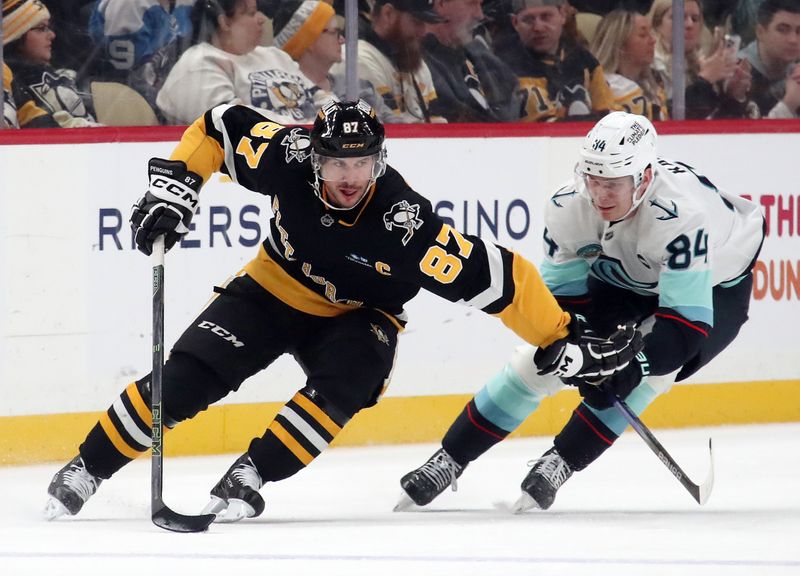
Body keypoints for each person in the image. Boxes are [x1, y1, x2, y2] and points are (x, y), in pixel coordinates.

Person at [43, 99, 641, 522]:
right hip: (273, 286)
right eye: (337, 163)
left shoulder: (406, 225)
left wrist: (560, 337)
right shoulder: (286, 156)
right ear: (315, 159)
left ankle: (254, 473)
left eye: (361, 163)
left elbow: (504, 280)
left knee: (350, 380)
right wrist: (178, 182)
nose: (349, 176)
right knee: (185, 382)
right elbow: (219, 126)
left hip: (361, 314)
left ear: (378, 159)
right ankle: (87, 467)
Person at [397, 111, 765, 512]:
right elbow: (561, 302)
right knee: (538, 363)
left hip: (717, 283)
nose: (600, 195)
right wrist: (579, 347)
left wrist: (633, 366)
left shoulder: (680, 217)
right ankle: (449, 459)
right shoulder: (568, 203)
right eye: (594, 181)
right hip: (625, 273)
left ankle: (561, 462)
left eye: (613, 185)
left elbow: (685, 326)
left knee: (649, 376)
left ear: (643, 179)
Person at [156, 0, 319, 126]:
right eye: (251, 13)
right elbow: (235, 123)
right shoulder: (197, 64)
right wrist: (306, 129)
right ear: (225, 23)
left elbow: (319, 97)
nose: (261, 19)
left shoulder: (275, 56)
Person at [493, 0, 614, 122]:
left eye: (546, 17)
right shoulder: (504, 66)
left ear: (562, 15)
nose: (538, 27)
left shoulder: (584, 60)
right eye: (528, 20)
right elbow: (546, 129)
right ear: (515, 23)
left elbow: (608, 113)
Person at [330, 0, 448, 123]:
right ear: (388, 14)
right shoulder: (357, 59)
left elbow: (438, 122)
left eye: (426, 23)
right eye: (416, 22)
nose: (424, 32)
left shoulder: (419, 65)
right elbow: (386, 130)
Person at [271, 0, 389, 116]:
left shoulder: (361, 87)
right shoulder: (288, 98)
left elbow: (400, 130)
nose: (342, 40)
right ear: (310, 41)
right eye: (335, 32)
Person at [650, 0, 758, 119]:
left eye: (695, 19)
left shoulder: (701, 66)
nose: (689, 24)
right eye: (679, 17)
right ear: (657, 24)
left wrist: (733, 95)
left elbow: (714, 122)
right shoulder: (649, 67)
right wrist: (704, 81)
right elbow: (666, 118)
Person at [3, 0, 100, 127]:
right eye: (41, 28)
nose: (52, 35)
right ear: (17, 35)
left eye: (48, 28)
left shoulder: (65, 75)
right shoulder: (12, 82)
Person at [422, 0, 523, 122]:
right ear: (442, 5)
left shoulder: (483, 58)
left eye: (480, 5)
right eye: (472, 4)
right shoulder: (418, 68)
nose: (479, 15)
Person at [89, 0, 194, 110]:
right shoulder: (128, 5)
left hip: (176, 97)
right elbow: (131, 90)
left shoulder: (188, 4)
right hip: (142, 109)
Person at [591, 9, 669, 120]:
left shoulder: (654, 84)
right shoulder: (605, 88)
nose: (653, 40)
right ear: (619, 43)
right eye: (643, 35)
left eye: (651, 34)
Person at [738, 0, 800, 118]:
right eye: (783, 30)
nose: (793, 40)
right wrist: (789, 104)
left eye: (799, 31)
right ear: (760, 32)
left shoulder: (795, 72)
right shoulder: (736, 73)